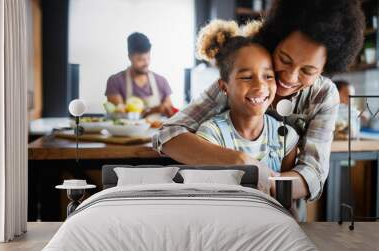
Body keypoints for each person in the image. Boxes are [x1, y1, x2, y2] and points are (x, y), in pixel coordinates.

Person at [153, 0, 365, 202]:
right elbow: (168, 134)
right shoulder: (244, 76)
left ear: (325, 69)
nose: (289, 78)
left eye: (308, 70)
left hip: (281, 215)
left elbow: (313, 174)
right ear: (276, 40)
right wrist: (241, 162)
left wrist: (267, 181)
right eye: (284, 59)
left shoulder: (323, 95)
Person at [195, 20, 298, 175]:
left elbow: (286, 197)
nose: (260, 86)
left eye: (268, 76)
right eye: (247, 77)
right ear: (224, 87)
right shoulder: (211, 135)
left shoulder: (285, 137)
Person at [105, 32, 175, 117]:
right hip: (128, 130)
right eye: (140, 59)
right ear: (129, 57)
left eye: (148, 58)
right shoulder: (115, 81)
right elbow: (120, 115)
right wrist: (153, 110)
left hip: (157, 130)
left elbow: (170, 110)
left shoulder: (161, 81)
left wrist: (167, 109)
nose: (146, 63)